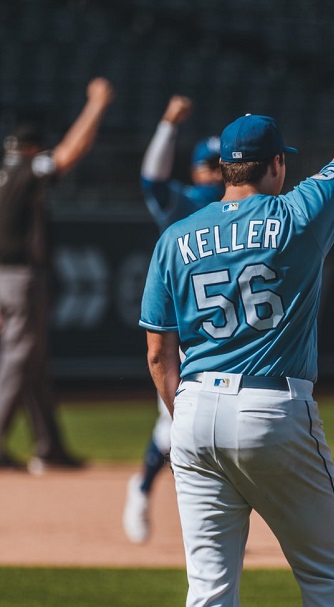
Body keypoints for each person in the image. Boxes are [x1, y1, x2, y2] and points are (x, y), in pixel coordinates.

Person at [139, 13, 334, 607]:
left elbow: (159, 354)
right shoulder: (297, 215)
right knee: (325, 578)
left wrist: (188, 415)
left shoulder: (175, 237)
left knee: (208, 591)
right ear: (276, 165)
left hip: (193, 411)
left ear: (224, 169)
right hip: (272, 408)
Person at [123, 95, 224, 543]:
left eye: (223, 164)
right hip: (184, 331)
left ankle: (156, 491)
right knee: (175, 426)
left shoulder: (246, 202)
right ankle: (144, 487)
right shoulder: (188, 201)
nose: (217, 172)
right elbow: (152, 179)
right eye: (210, 165)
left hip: (227, 329)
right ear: (198, 169)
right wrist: (167, 125)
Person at [0, 78, 115, 473]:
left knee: (33, 362)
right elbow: (69, 153)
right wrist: (96, 105)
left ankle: (48, 446)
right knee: (19, 358)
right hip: (20, 277)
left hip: (3, 276)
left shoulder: (3, 172)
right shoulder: (29, 167)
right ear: (33, 148)